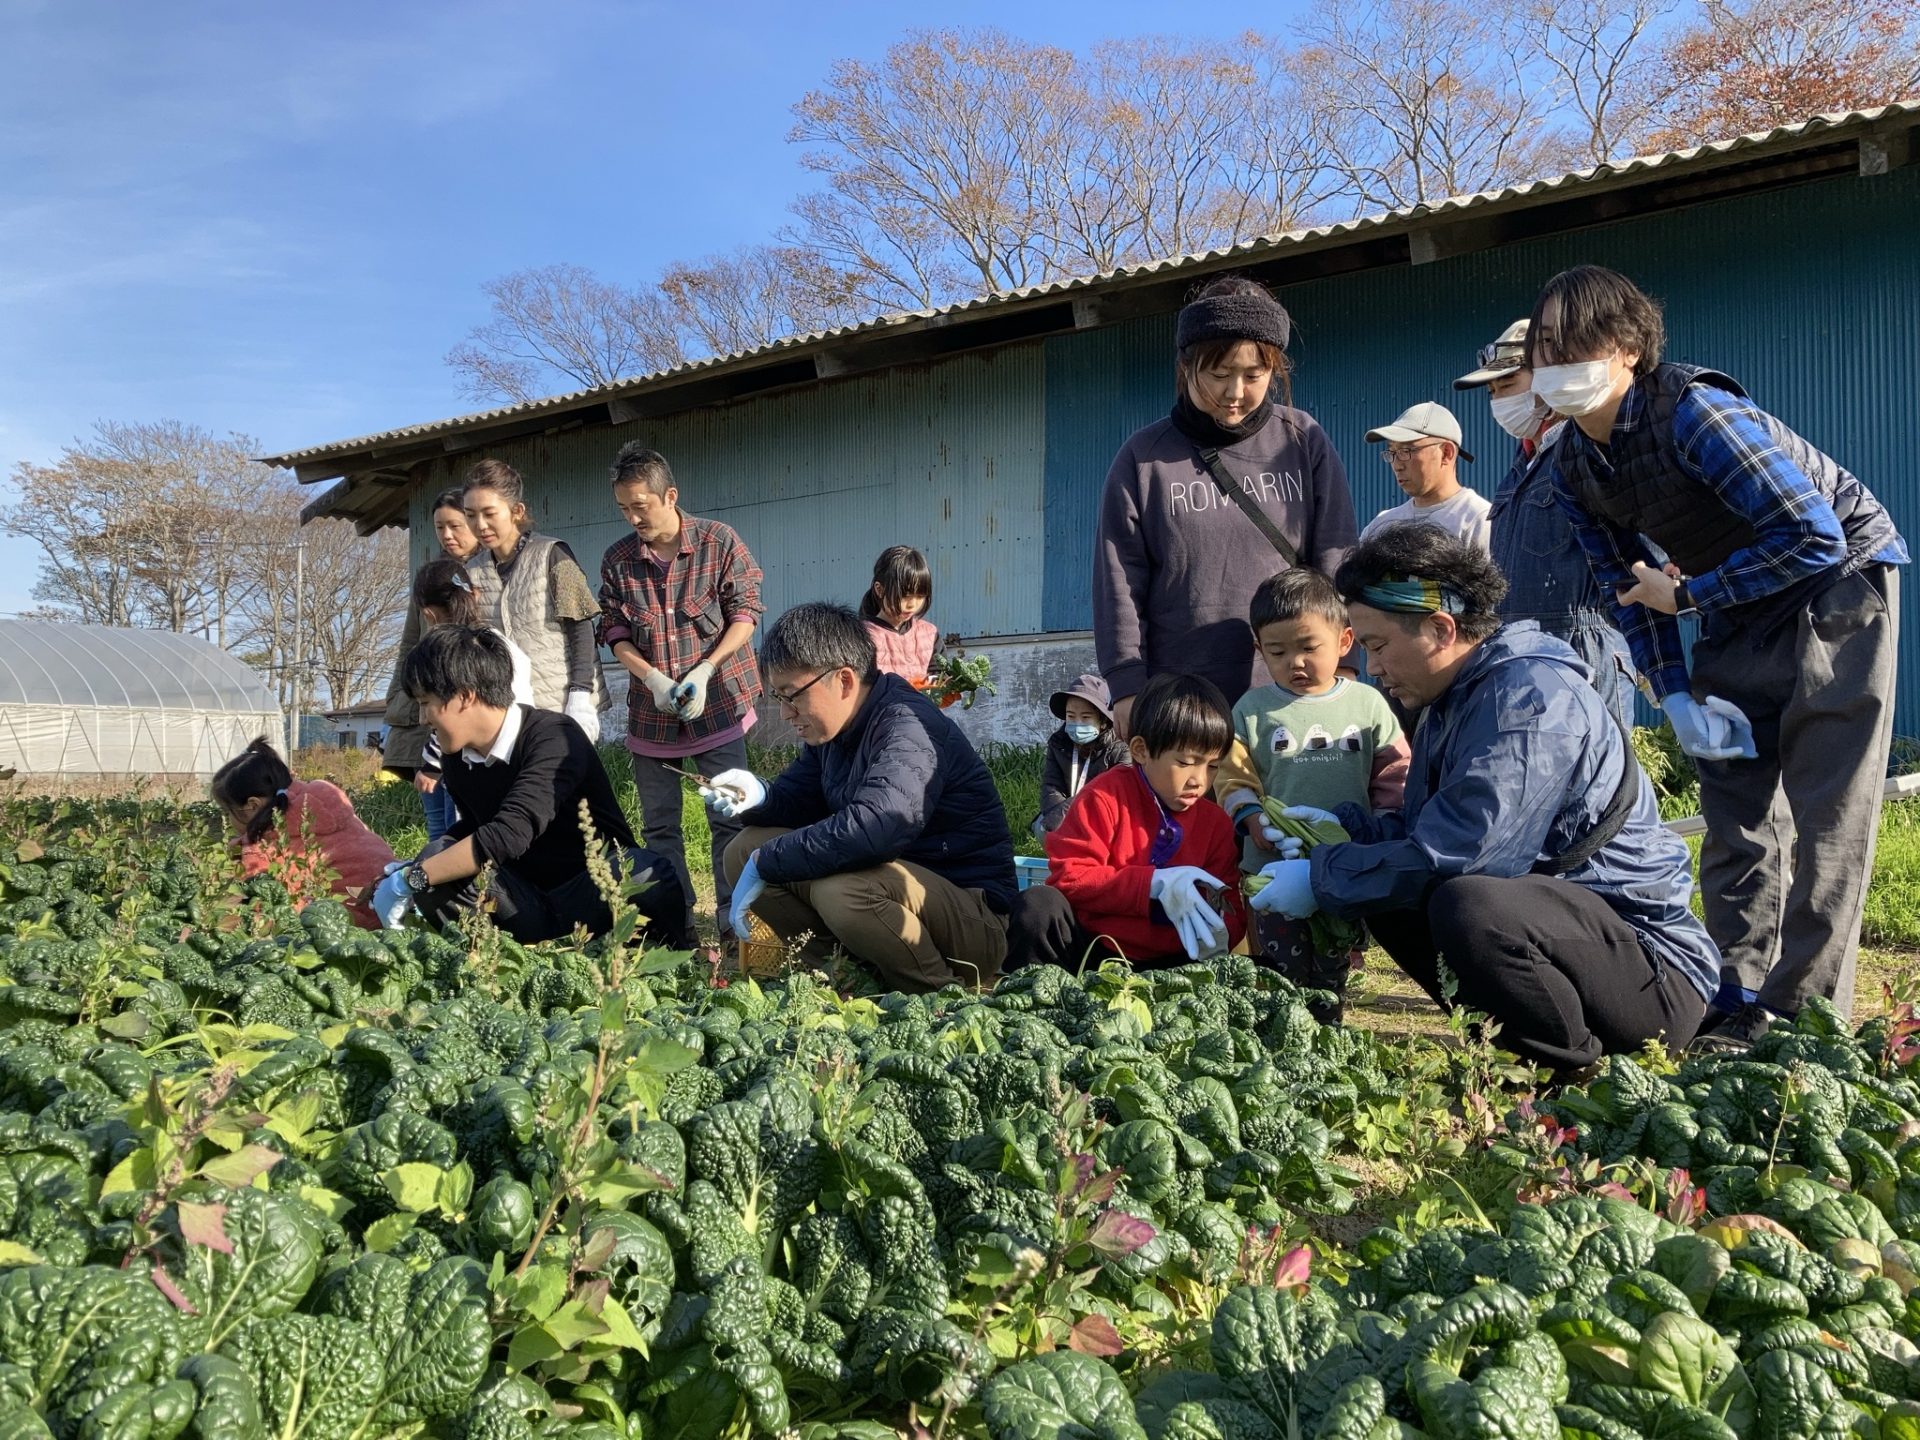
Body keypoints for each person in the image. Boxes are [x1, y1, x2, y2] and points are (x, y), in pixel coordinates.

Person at [1529, 264, 1907, 1048]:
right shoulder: (1569, 464)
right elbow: (1627, 588)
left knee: (1826, 809)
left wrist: (1694, 595)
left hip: (1837, 587)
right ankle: (1733, 992)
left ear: (1628, 348)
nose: (1559, 359)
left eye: (1578, 341)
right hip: (1734, 597)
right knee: (1735, 808)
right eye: (1545, 345)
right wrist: (1672, 696)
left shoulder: (1695, 410)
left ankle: (1804, 1017)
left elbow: (1813, 535)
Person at [1248, 526, 1719, 1077]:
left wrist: (1324, 876)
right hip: (1578, 941)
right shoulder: (1455, 700)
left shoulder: (1530, 701)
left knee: (1469, 905)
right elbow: (1427, 831)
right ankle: (1510, 1053)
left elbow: (1468, 850)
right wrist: (1343, 830)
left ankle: (1566, 1073)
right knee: (1392, 893)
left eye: (1377, 645)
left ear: (1441, 629)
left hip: (1652, 974)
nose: (1372, 668)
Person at [1093, 274, 1358, 736]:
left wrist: (1345, 663)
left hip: (1292, 693)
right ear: (1186, 366)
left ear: (1275, 370)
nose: (1235, 392)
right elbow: (1119, 579)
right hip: (1183, 701)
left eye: (1254, 375)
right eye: (1218, 373)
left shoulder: (1303, 441)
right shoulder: (1143, 457)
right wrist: (1127, 685)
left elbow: (1336, 554)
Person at [702, 602, 1014, 993]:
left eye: (790, 696)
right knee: (743, 849)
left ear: (845, 681)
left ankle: (939, 996)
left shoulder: (907, 729)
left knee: (843, 890)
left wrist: (771, 859)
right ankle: (847, 979)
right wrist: (760, 796)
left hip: (972, 919)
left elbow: (878, 828)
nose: (784, 713)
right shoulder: (835, 733)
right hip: (893, 888)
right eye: (776, 698)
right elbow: (799, 801)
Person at [369, 626, 687, 946]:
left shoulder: (555, 737)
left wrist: (412, 880)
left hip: (595, 893)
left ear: (465, 696)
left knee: (642, 870)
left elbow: (508, 833)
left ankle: (666, 951)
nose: (424, 718)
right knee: (436, 857)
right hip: (523, 904)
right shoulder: (457, 759)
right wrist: (421, 867)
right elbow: (478, 828)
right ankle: (496, 966)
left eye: (427, 703)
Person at [1215, 568, 1408, 1018]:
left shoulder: (1367, 703)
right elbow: (1231, 773)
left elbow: (1394, 773)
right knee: (1281, 968)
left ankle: (1326, 1031)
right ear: (1260, 649)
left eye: (1308, 647)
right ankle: (1285, 1039)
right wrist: (1248, 816)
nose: (1294, 663)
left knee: (1332, 962)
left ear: (1344, 642)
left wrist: (1383, 830)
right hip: (1272, 867)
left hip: (1342, 866)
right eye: (1278, 652)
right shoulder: (1252, 709)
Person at [596, 443, 765, 943]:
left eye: (640, 506)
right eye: (624, 509)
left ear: (670, 495)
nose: (633, 518)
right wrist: (651, 678)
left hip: (720, 708)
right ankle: (676, 928)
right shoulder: (618, 560)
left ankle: (735, 928)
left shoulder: (719, 542)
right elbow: (613, 631)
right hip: (652, 718)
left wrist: (707, 669)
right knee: (660, 829)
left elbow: (746, 612)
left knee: (729, 821)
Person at [1453, 319, 1634, 728]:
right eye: (1493, 390)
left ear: (1550, 378)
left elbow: (1640, 566)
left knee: (1597, 785)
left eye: (1508, 383)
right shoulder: (1518, 472)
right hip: (1520, 659)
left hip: (1585, 655)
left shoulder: (1590, 455)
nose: (1498, 398)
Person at [1007, 672, 1247, 972]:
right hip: (1095, 950)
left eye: (1213, 766)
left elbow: (1230, 903)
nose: (1199, 780)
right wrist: (1151, 884)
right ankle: (1034, 1004)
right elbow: (1068, 879)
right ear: (1140, 751)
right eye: (1184, 763)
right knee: (1038, 906)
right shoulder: (1104, 797)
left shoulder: (1216, 824)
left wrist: (1223, 930)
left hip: (1173, 966)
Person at [461, 458, 609, 735]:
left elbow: (581, 628)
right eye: (470, 514)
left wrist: (580, 695)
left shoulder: (553, 554)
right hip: (504, 712)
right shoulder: (472, 573)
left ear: (516, 511)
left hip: (560, 703)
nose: (480, 524)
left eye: (489, 513)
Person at [212, 738, 396, 930]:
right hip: (395, 908)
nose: (227, 820)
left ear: (253, 805)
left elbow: (257, 907)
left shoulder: (264, 847)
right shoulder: (325, 806)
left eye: (227, 812)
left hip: (347, 929)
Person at [382, 487, 480, 842]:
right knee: (435, 817)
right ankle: (433, 880)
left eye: (455, 525)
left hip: (462, 700)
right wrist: (399, 697)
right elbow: (409, 642)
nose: (448, 535)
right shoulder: (429, 576)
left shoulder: (485, 575)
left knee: (459, 815)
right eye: (440, 528)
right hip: (425, 700)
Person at [409, 558, 535, 807]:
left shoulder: (449, 655)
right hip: (514, 752)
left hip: (477, 759)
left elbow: (450, 713)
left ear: (428, 614)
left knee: (448, 828)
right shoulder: (495, 642)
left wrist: (432, 764)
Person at [1359, 403, 1491, 549]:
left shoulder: (1479, 521)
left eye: (1406, 450)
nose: (1397, 465)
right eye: (1392, 452)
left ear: (1446, 453)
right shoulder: (1381, 526)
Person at [1033, 673, 1130, 836]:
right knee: (1042, 828)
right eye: (1071, 716)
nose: (1077, 723)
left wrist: (1071, 815)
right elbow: (1051, 786)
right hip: (1066, 815)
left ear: (1104, 721)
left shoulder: (1121, 749)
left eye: (1086, 717)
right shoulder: (1058, 743)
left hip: (1107, 818)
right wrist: (1058, 820)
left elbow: (1110, 795)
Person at [859, 545, 939, 684]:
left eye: (920, 596)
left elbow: (938, 673)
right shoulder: (863, 636)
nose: (912, 604)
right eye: (904, 596)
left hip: (920, 706)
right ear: (879, 590)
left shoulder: (929, 634)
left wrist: (939, 687)